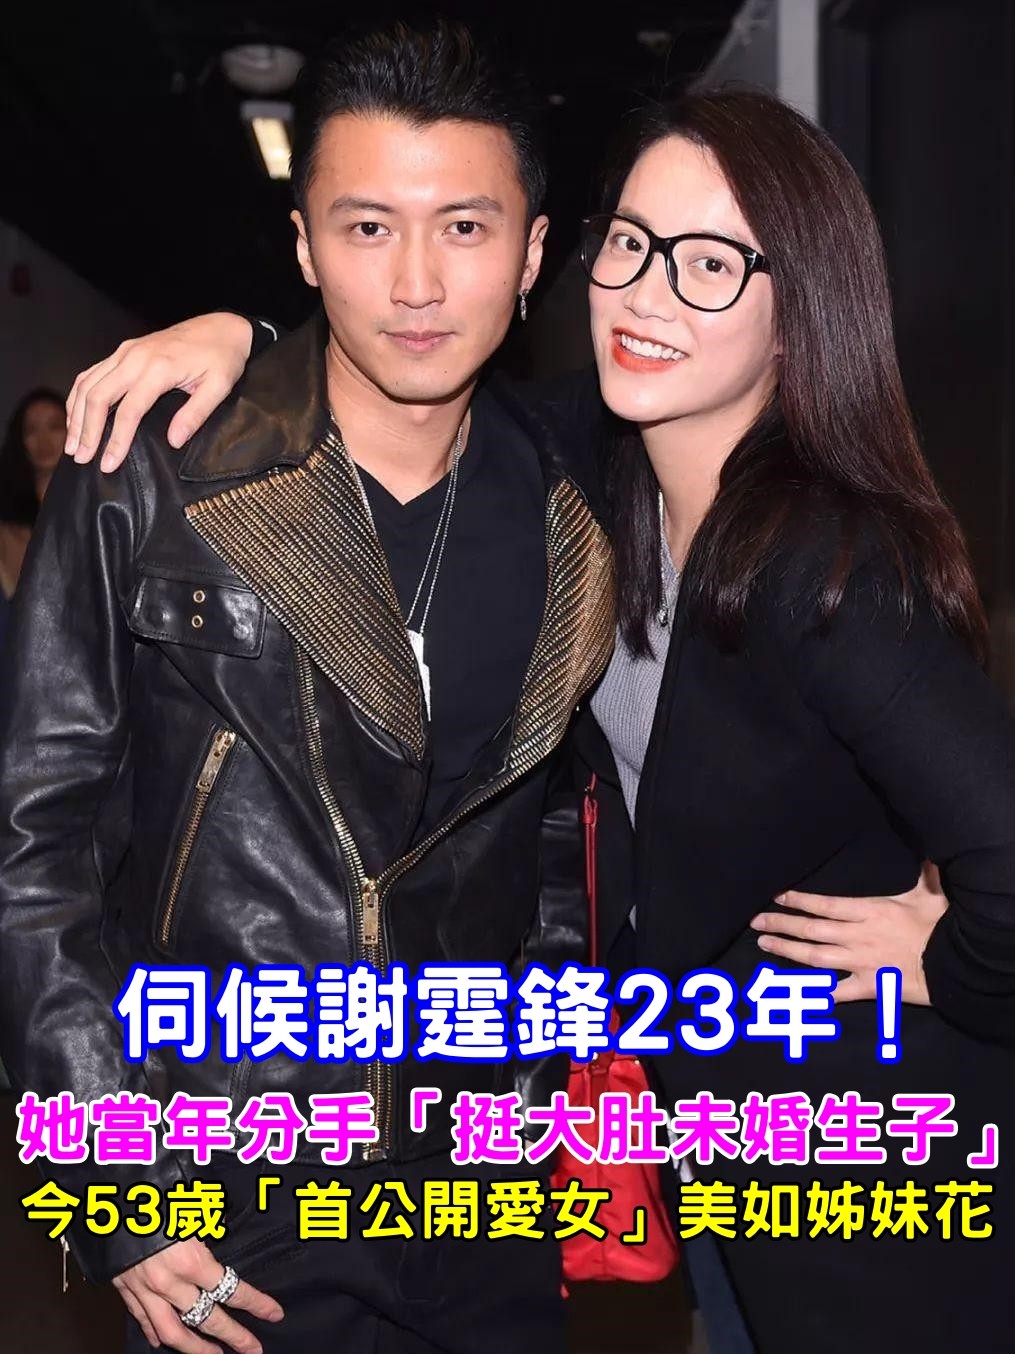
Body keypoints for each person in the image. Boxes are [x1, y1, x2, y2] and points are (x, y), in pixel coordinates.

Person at [59, 76, 990, 1354]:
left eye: (712, 263)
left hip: (870, 1147)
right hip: (705, 1134)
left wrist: (955, 960)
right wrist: (239, 339)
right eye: (635, 244)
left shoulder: (829, 566)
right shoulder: (593, 462)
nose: (652, 295)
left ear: (801, 308)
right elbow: (406, 359)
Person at [0, 22, 614, 1354]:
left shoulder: (571, 500)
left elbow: (546, 829)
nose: (414, 282)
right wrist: (112, 1184)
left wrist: (541, 1085)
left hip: (480, 1178)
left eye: (463, 227)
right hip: (231, 1167)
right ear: (303, 246)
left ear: (529, 252)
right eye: (365, 227)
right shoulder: (154, 470)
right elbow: (31, 844)